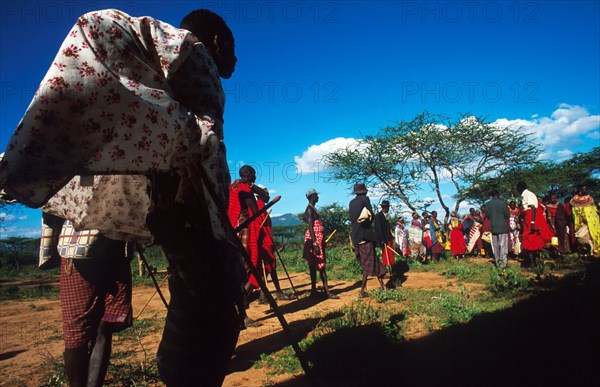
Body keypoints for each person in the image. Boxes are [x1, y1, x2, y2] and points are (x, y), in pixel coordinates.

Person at [0, 8, 243, 386]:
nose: (235, 57)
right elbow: (204, 139)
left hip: (174, 210)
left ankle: (180, 369)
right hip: (191, 208)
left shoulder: (169, 66)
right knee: (212, 308)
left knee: (194, 303)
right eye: (232, 46)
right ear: (217, 41)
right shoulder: (194, 51)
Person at [349, 183, 386, 297]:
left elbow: (352, 218)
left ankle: (383, 286)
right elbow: (371, 215)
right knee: (368, 263)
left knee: (372, 260)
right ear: (364, 191)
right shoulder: (365, 199)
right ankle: (362, 291)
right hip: (365, 235)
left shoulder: (351, 203)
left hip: (356, 236)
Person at [303, 189, 338, 298]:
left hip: (317, 240)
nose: (318, 197)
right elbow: (311, 227)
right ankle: (327, 292)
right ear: (312, 196)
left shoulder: (313, 209)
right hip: (314, 241)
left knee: (315, 265)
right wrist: (315, 243)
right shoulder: (309, 210)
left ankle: (314, 290)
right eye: (316, 196)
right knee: (320, 265)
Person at [256, 188, 286, 299]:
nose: (268, 197)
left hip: (267, 241)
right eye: (267, 195)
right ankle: (276, 293)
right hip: (264, 242)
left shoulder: (261, 207)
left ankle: (264, 295)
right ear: (261, 195)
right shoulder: (258, 207)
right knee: (269, 267)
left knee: (269, 267)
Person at [517, 181, 553, 267]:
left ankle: (533, 263)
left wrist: (532, 223)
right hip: (528, 219)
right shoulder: (524, 196)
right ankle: (532, 262)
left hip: (531, 219)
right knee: (529, 240)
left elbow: (532, 208)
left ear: (520, 188)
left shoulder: (528, 194)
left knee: (531, 240)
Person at [570, 186, 600, 257]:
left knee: (595, 236)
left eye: (587, 189)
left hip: (593, 222)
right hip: (582, 223)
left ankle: (596, 251)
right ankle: (586, 252)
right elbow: (575, 212)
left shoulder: (590, 199)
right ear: (580, 190)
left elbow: (593, 210)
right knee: (583, 237)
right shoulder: (575, 200)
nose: (586, 191)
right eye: (584, 189)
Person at [485, 189, 510, 268]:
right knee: (503, 245)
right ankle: (503, 264)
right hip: (502, 226)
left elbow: (488, 216)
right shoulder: (502, 203)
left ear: (491, 195)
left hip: (493, 226)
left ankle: (497, 262)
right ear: (499, 195)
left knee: (495, 246)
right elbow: (507, 215)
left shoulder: (487, 204)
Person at [374, 200, 396, 269]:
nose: (388, 209)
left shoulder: (385, 216)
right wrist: (382, 241)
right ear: (385, 207)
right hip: (383, 240)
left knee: (390, 256)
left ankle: (391, 270)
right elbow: (378, 229)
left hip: (388, 239)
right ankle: (385, 271)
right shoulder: (378, 216)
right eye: (387, 207)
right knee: (385, 256)